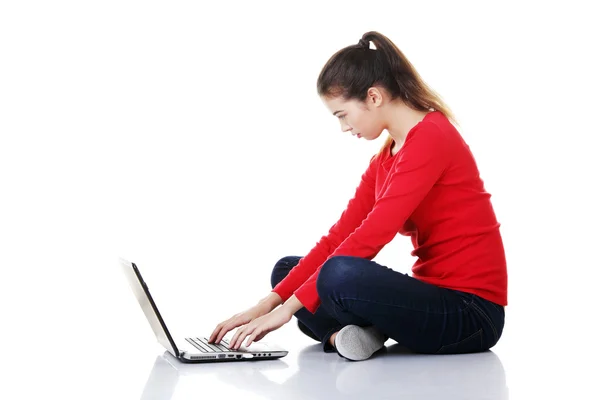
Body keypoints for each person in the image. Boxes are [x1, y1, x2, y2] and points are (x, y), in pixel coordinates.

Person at [209, 31, 507, 362]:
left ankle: (347, 334)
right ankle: (351, 337)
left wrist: (288, 310)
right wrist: (265, 305)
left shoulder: (432, 137)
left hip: (471, 315)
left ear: (374, 97)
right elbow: (341, 234)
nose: (343, 128)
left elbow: (372, 235)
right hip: (430, 299)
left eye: (342, 115)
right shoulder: (385, 157)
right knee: (287, 271)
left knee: (337, 276)